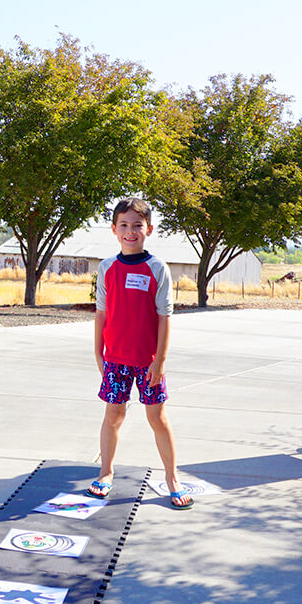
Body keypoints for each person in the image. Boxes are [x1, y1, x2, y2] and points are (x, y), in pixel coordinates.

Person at [88, 197, 193, 509]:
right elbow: (101, 314)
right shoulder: (107, 268)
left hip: (148, 363)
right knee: (113, 415)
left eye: (137, 225)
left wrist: (159, 360)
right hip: (116, 360)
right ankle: (106, 472)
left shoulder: (157, 268)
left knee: (157, 417)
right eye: (124, 225)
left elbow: (164, 316)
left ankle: (172, 478)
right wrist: (98, 353)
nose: (130, 231)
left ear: (149, 229)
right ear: (114, 229)